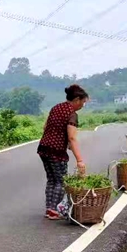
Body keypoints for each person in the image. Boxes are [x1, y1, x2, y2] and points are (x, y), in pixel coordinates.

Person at [37, 84, 89, 220]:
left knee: (51, 180)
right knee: (60, 181)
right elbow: (72, 137)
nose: (83, 105)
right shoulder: (72, 114)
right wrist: (79, 160)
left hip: (43, 148)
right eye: (83, 102)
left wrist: (63, 140)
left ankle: (49, 209)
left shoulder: (56, 107)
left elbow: (45, 127)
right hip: (56, 151)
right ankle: (54, 210)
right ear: (77, 99)